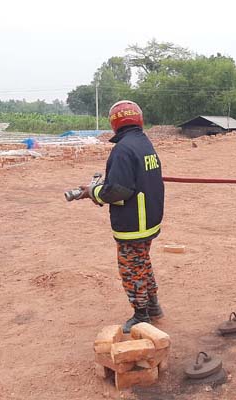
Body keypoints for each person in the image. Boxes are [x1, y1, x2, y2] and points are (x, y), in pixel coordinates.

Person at [77, 100, 165, 333]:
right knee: (143, 263)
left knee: (131, 269)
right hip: (148, 220)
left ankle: (141, 315)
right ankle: (153, 306)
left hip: (133, 223)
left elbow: (119, 190)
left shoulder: (123, 150)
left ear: (114, 123)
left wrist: (92, 192)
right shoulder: (144, 144)